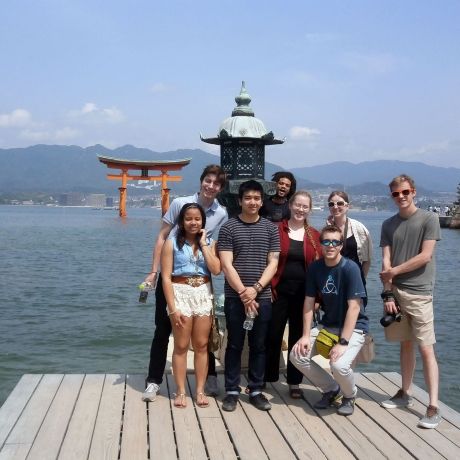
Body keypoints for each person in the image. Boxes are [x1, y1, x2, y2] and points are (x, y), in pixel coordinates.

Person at [142, 164, 227, 402]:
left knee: (205, 337)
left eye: (216, 183)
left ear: (221, 188)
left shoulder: (221, 213)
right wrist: (154, 271)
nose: (211, 186)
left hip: (201, 279)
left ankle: (207, 380)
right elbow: (161, 236)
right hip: (173, 274)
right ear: (201, 181)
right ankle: (154, 380)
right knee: (163, 329)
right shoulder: (180, 203)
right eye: (208, 181)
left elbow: (217, 248)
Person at [379, 174, 442, 429]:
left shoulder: (429, 219)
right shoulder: (388, 224)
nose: (401, 197)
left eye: (405, 192)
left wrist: (394, 272)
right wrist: (388, 292)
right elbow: (385, 261)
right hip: (396, 293)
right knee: (405, 344)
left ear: (413, 191)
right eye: (396, 194)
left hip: (419, 293)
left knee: (426, 347)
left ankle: (433, 405)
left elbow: (425, 256)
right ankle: (405, 393)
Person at [290, 224, 368, 416]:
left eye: (336, 242)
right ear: (321, 244)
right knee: (296, 355)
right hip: (328, 325)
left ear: (341, 245)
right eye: (326, 241)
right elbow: (309, 303)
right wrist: (306, 335)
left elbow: (355, 307)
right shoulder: (316, 268)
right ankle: (331, 389)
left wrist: (343, 342)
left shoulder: (351, 268)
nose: (331, 246)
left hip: (355, 327)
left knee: (339, 365)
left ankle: (350, 395)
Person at [218, 180, 280, 412]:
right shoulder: (229, 228)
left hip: (262, 297)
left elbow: (273, 262)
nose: (252, 202)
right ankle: (232, 391)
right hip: (235, 297)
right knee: (234, 344)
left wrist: (256, 288)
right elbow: (226, 263)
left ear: (262, 201)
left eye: (256, 198)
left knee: (259, 345)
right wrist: (244, 293)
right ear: (240, 201)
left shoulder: (270, 228)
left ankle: (255, 389)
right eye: (248, 198)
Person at [161, 203, 221, 408]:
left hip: (203, 293)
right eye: (188, 219)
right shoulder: (171, 243)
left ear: (203, 221)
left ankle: (200, 390)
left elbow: (216, 269)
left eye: (197, 219)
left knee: (202, 345)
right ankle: (180, 391)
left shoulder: (211, 243)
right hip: (181, 293)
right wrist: (172, 307)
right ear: (182, 221)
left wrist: (204, 245)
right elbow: (166, 278)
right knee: (180, 345)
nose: (193, 222)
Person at [265, 190, 321, 398]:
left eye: (305, 206)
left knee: (299, 338)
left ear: (309, 209)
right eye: (297, 205)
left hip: (304, 296)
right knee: (272, 335)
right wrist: (267, 288)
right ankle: (268, 376)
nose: (300, 209)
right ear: (290, 205)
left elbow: (320, 270)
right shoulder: (277, 230)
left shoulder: (314, 235)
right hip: (278, 291)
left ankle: (294, 381)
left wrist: (318, 299)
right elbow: (267, 260)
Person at [326, 191, 373, 285]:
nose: (335, 207)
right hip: (333, 280)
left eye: (340, 203)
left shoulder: (359, 228)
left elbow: (367, 260)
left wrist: (361, 282)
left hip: (354, 280)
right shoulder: (326, 230)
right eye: (331, 204)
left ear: (347, 206)